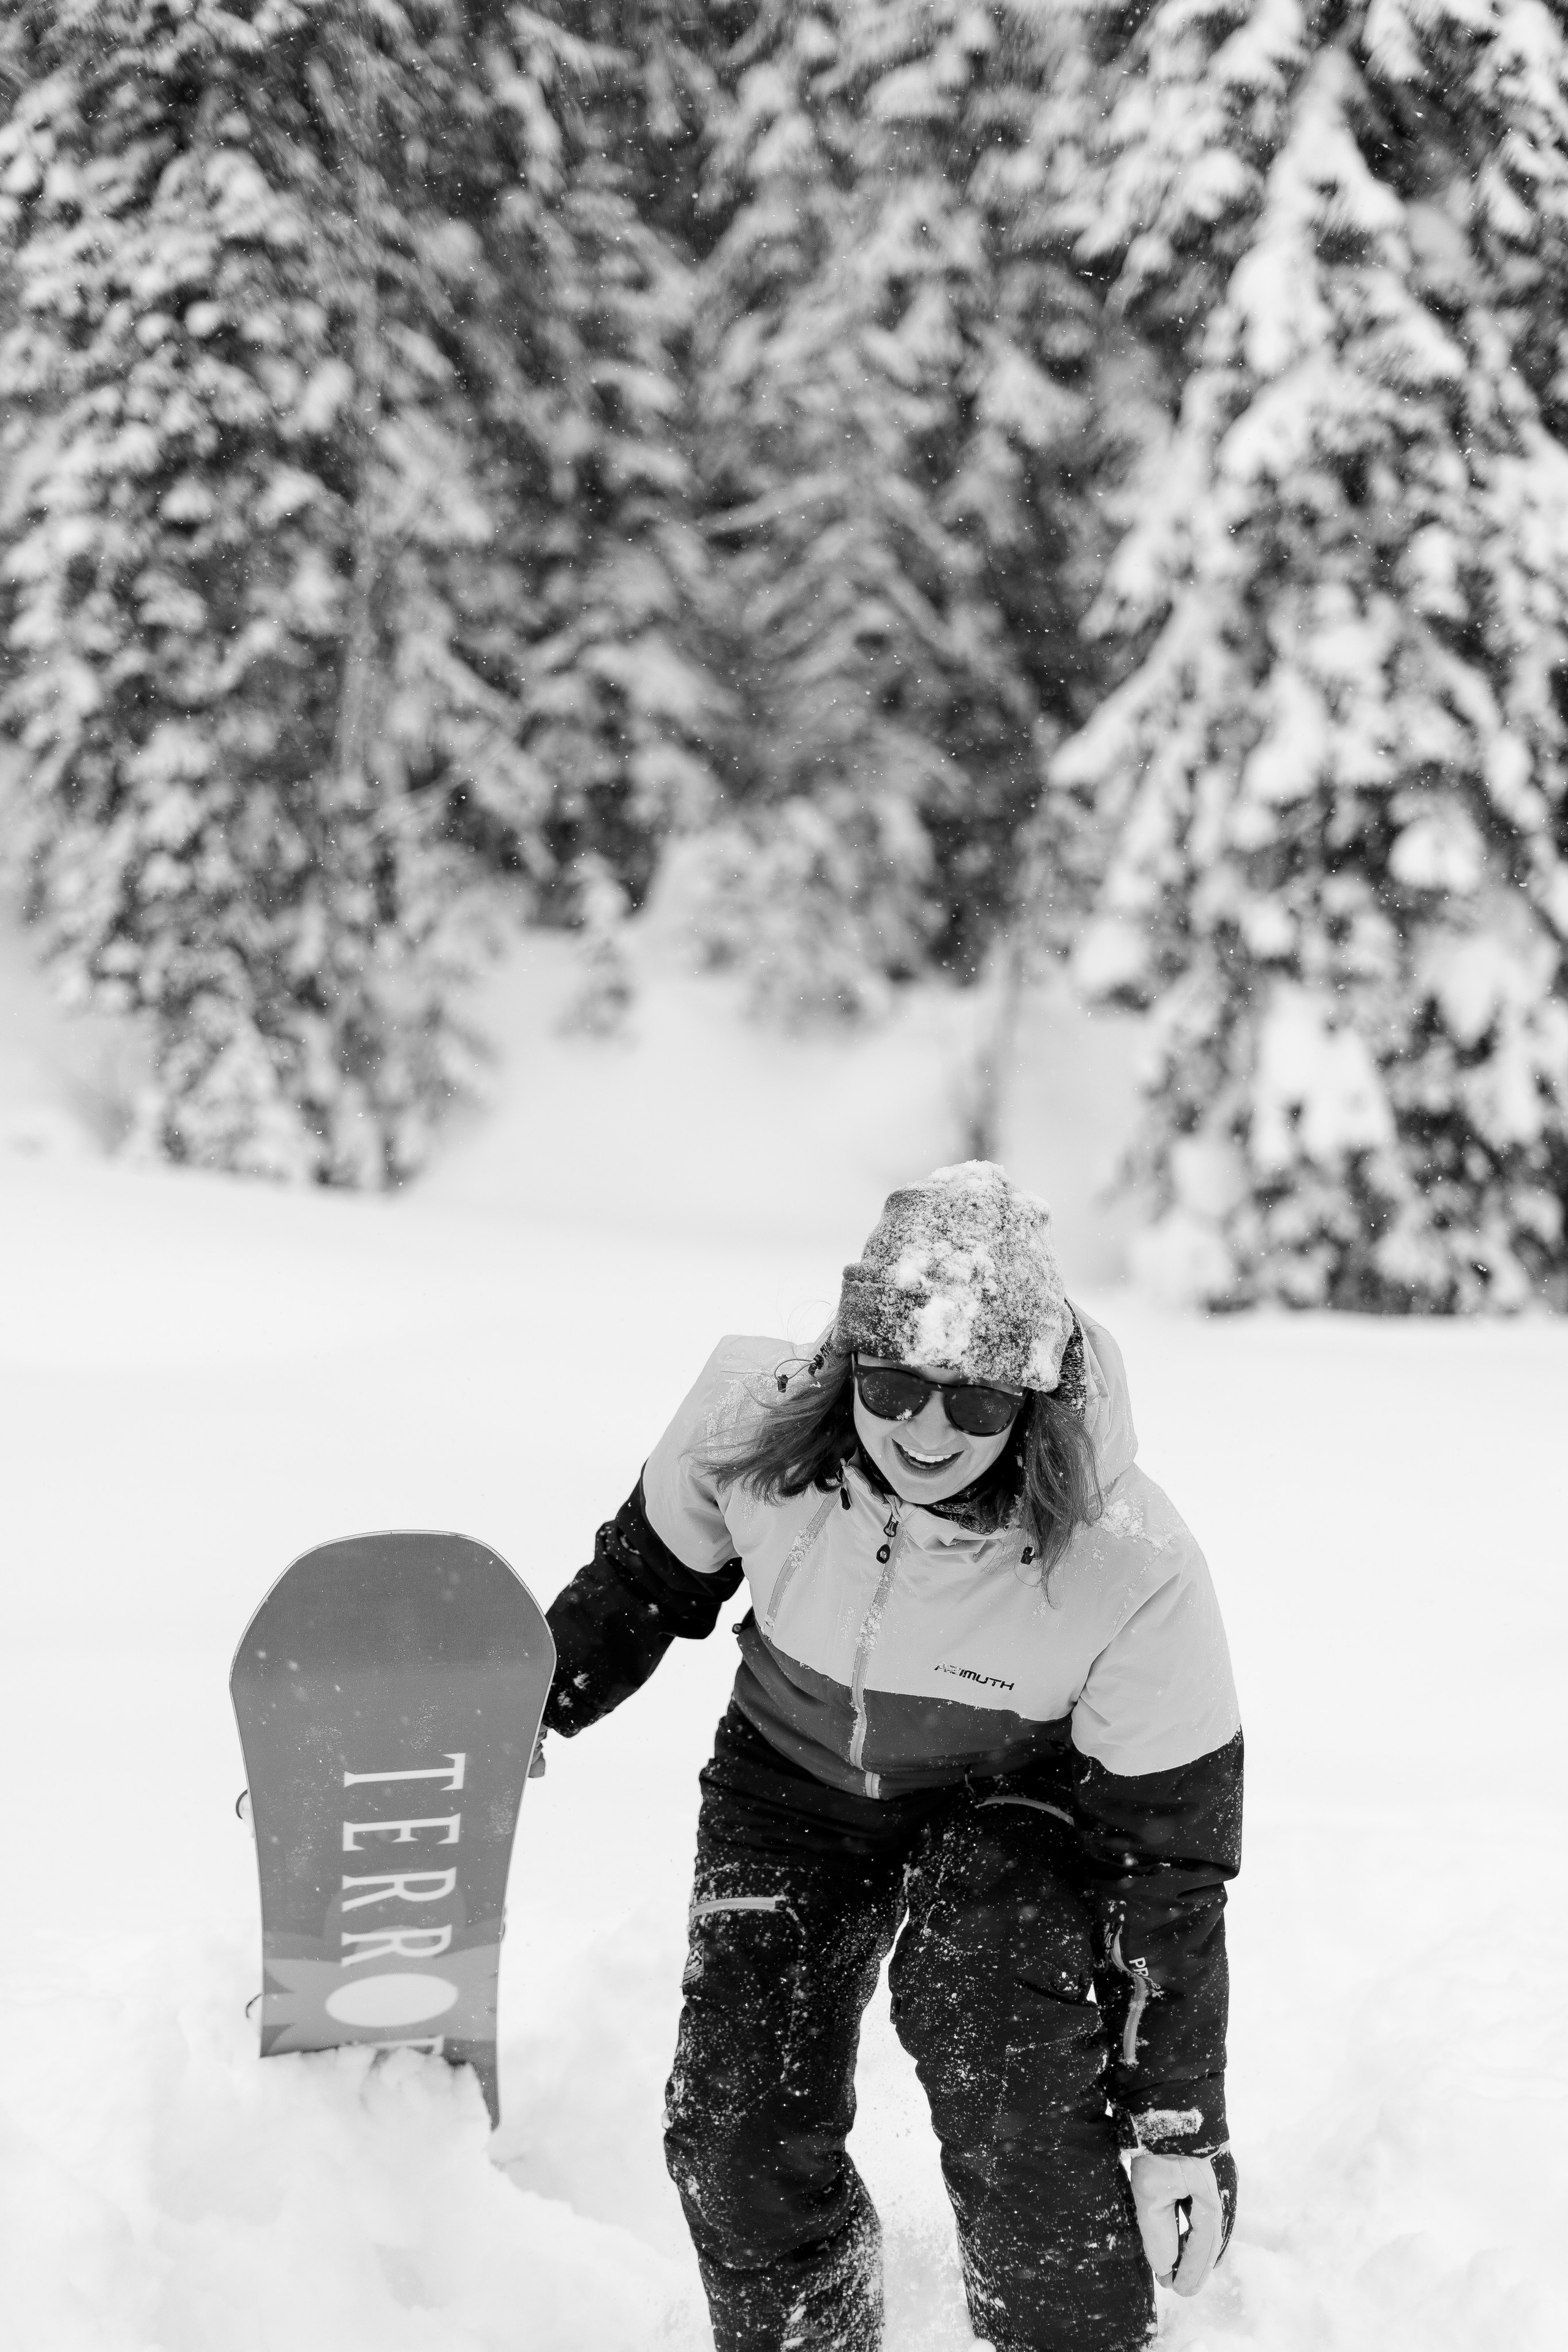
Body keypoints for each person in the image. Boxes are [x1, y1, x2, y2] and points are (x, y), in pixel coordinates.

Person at [540, 1162, 1242, 2352]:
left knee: (994, 2035)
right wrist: (531, 1706)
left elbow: (1168, 1864)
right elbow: (641, 1586)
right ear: (849, 1363)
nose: (925, 1430)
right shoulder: (750, 1429)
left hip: (1005, 1806)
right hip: (791, 1788)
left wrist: (1176, 2127)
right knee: (735, 2131)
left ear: (1030, 1398)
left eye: (975, 1405)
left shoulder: (1128, 1561)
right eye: (894, 1386)